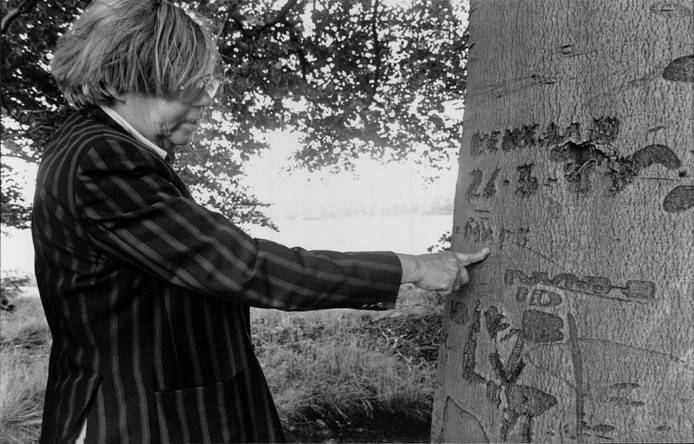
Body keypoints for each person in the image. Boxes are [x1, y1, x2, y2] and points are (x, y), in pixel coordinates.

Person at [32, 1, 489, 443]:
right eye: (180, 87)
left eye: (202, 85)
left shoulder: (95, 145)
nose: (202, 103)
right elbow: (244, 266)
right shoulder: (102, 158)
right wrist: (410, 266)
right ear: (118, 80)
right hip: (138, 419)